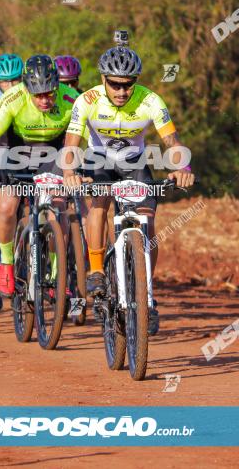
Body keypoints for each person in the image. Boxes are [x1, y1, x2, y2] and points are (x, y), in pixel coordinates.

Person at [62, 43, 195, 335]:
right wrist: (70, 172)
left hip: (135, 162)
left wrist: (182, 168)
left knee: (147, 220)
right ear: (103, 80)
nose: (122, 91)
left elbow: (172, 142)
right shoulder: (87, 100)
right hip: (99, 160)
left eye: (128, 85)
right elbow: (71, 144)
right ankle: (96, 269)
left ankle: (146, 294)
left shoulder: (151, 100)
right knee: (98, 203)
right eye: (115, 85)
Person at [0, 55, 79, 298]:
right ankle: (7, 263)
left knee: (58, 207)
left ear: (57, 84)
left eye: (50, 93)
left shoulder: (71, 98)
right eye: (38, 94)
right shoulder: (13, 97)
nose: (45, 99)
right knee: (7, 205)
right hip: (16, 153)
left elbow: (91, 132)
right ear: (27, 88)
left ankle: (57, 273)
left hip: (54, 155)